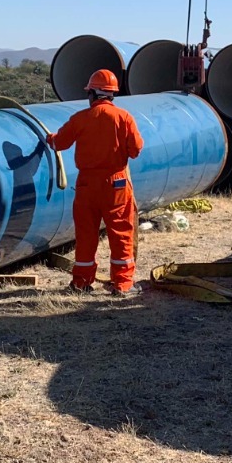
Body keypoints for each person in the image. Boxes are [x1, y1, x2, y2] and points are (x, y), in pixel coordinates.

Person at [44, 69, 143, 296]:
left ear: (93, 94)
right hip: (116, 184)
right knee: (120, 233)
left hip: (87, 185)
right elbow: (136, 150)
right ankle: (122, 284)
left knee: (86, 233)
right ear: (111, 95)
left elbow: (59, 143)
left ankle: (81, 282)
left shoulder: (80, 118)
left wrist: (51, 138)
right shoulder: (124, 118)